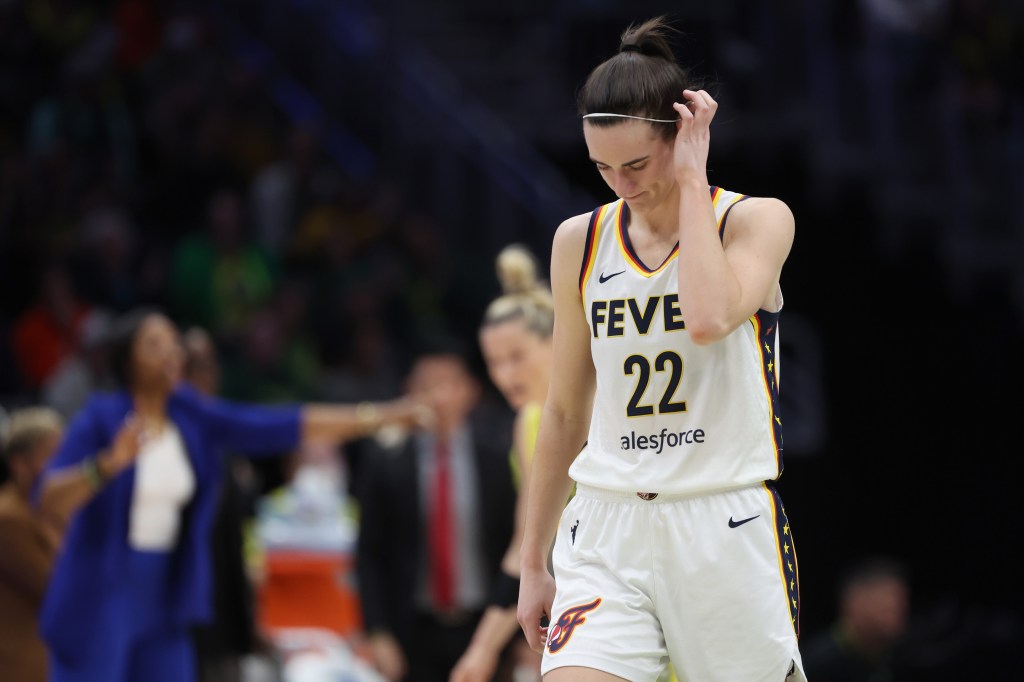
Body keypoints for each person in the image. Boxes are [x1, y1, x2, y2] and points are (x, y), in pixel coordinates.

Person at [516, 17, 804, 682]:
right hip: (606, 522)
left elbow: (706, 318)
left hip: (720, 522)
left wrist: (694, 179)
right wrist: (535, 563)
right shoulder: (578, 242)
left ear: (682, 138)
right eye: (602, 167)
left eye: (637, 164)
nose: (620, 183)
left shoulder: (756, 220)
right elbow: (563, 413)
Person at [35, 309, 427, 682]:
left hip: (166, 593)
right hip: (100, 593)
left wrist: (382, 416)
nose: (171, 353)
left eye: (174, 343)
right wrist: (105, 465)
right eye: (154, 345)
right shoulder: (101, 417)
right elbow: (48, 497)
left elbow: (281, 425)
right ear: (126, 360)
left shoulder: (189, 414)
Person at [356, 342, 517, 682]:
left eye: (448, 384)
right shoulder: (386, 460)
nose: (437, 397)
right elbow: (369, 551)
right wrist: (377, 631)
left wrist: (518, 634)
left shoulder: (499, 456)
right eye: (425, 386)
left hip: (485, 621)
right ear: (407, 393)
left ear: (471, 390)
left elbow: (514, 543)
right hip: (412, 627)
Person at [450, 245, 553, 682]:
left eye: (516, 357)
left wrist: (482, 648)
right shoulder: (528, 422)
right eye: (493, 362)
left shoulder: (609, 404)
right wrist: (483, 650)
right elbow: (526, 545)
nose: (504, 375)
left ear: (557, 341)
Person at [0, 407, 63, 682]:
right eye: (52, 455)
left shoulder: (51, 509)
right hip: (21, 665)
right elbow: (56, 588)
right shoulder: (7, 519)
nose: (64, 466)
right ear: (19, 464)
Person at [802, 558, 909, 682]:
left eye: (900, 604)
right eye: (885, 607)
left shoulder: (904, 655)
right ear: (854, 604)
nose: (898, 613)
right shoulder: (813, 664)